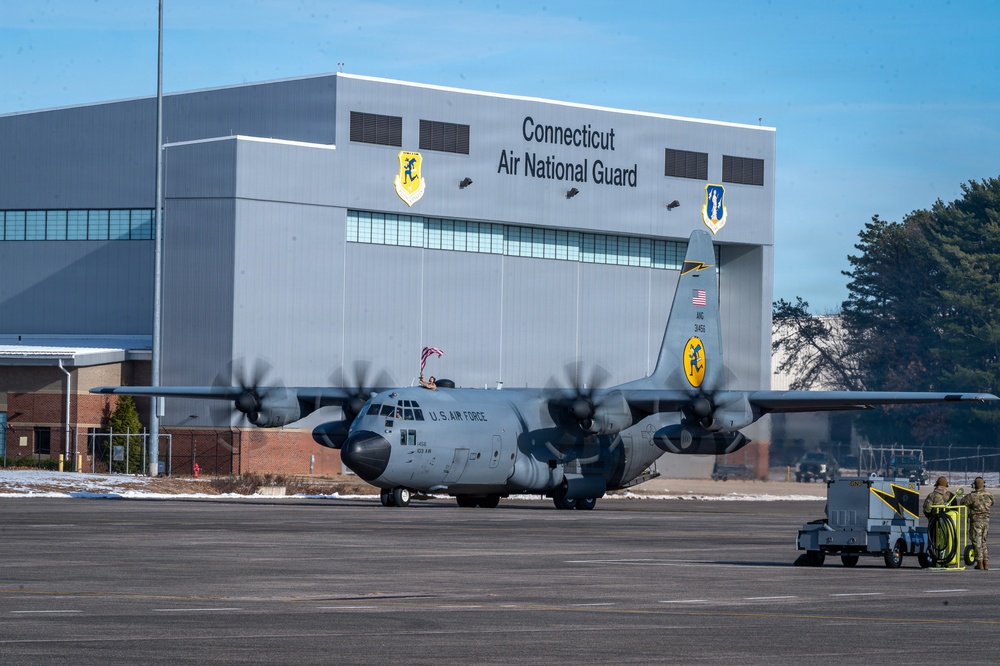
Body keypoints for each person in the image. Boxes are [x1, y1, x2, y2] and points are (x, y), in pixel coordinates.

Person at [962, 477, 994, 570]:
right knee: (983, 542)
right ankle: (986, 562)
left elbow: (963, 501)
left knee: (977, 542)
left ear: (974, 485)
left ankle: (979, 562)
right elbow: (992, 503)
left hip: (976, 521)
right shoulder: (990, 495)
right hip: (986, 521)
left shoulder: (973, 496)